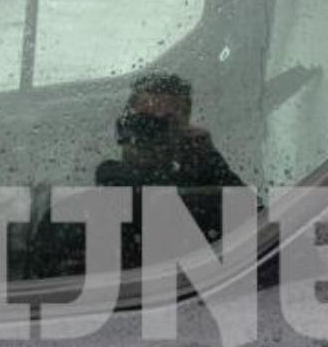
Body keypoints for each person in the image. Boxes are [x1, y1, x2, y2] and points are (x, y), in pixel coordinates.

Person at [95, 72, 242, 268]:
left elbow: (260, 230)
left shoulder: (205, 187)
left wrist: (209, 162)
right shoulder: (100, 197)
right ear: (124, 127)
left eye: (164, 124)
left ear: (183, 133)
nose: (150, 133)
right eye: (142, 122)